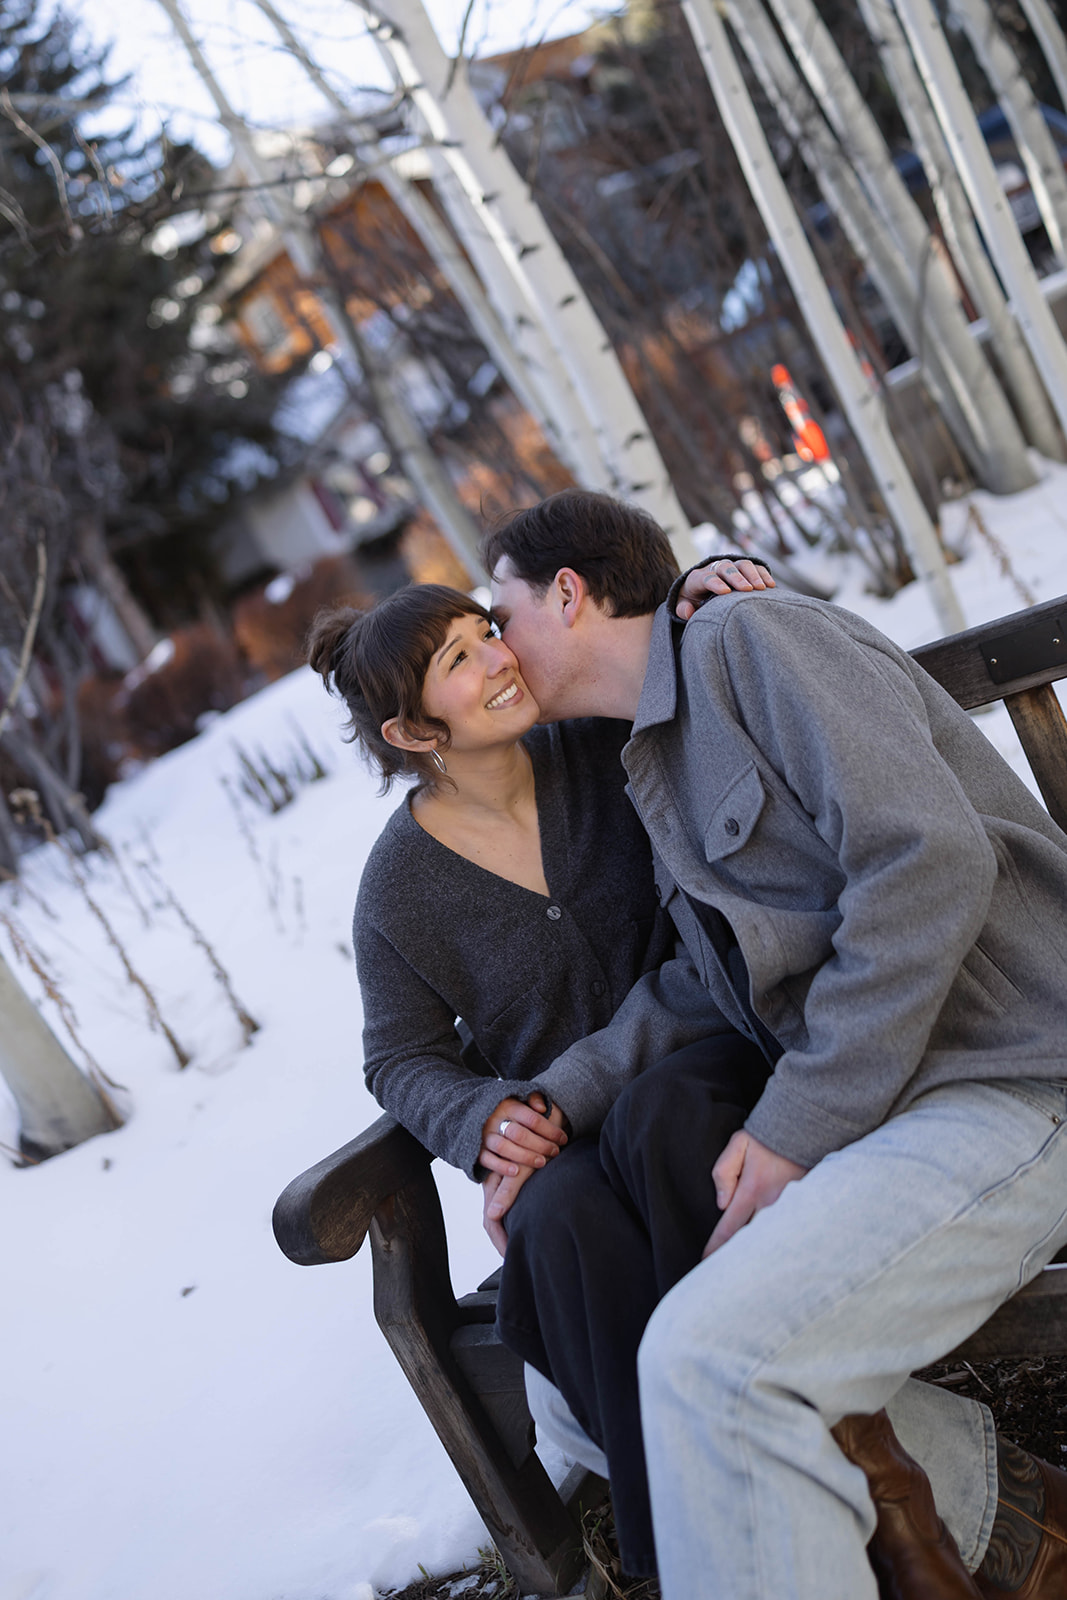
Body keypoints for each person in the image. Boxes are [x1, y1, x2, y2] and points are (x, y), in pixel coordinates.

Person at [485, 488, 1067, 1600]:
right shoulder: (654, 757)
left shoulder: (752, 641)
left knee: (710, 1366)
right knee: (579, 1389)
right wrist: (553, 1104)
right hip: (909, 1113)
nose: (497, 646)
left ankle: (1000, 1525)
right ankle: (1010, 1514)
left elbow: (928, 864)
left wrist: (795, 1120)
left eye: (498, 612)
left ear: (565, 593)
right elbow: (703, 985)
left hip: (1015, 1075)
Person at [305, 564, 774, 1575]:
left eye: (485, 630)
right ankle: (694, 1555)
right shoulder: (398, 886)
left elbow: (655, 656)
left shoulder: (599, 747)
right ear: (413, 734)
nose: (496, 657)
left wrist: (694, 582)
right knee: (552, 1218)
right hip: (563, 1134)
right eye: (458, 661)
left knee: (659, 1122)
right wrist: (483, 1120)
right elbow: (398, 1056)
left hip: (703, 1057)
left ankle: (770, 1444)